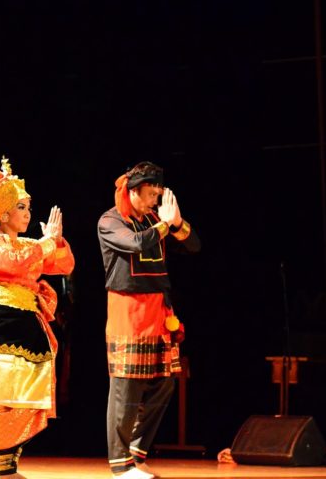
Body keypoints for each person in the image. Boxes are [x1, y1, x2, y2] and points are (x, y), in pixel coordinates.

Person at [0, 157, 75, 479]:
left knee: (22, 394)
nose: (28, 214)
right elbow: (12, 263)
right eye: (23, 208)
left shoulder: (29, 244)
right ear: (6, 213)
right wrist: (46, 244)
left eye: (28, 207)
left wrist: (56, 240)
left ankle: (10, 461)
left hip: (26, 326)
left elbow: (64, 265)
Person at [97, 161, 200, 479]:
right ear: (133, 191)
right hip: (127, 310)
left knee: (164, 385)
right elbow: (136, 243)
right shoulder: (111, 221)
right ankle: (120, 466)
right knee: (125, 388)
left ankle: (136, 453)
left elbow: (194, 246)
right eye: (152, 193)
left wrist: (178, 223)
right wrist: (165, 226)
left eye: (159, 194)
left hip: (158, 309)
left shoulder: (156, 220)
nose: (156, 200)